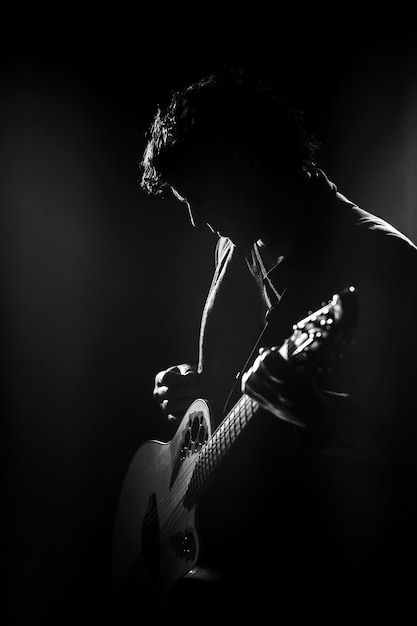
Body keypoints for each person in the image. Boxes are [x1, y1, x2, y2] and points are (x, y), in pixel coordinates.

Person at [140, 70, 417, 616]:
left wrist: (316, 414)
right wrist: (202, 390)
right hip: (240, 553)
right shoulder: (240, 239)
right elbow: (235, 384)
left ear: (241, 164)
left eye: (197, 196)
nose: (197, 219)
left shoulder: (383, 264)